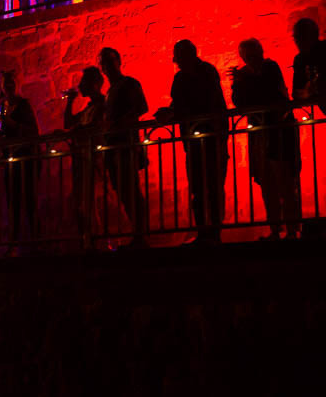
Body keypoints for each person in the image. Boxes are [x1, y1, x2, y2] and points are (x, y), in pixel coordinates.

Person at [155, 40, 229, 243]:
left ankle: (214, 231)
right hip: (194, 139)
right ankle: (204, 231)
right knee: (198, 186)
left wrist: (175, 113)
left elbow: (209, 102)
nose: (175, 61)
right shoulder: (182, 77)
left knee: (212, 185)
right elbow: (178, 104)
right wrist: (169, 112)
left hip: (211, 136)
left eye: (177, 56)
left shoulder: (206, 72)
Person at [230, 39, 302, 239]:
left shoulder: (270, 67)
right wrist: (237, 83)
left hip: (279, 131)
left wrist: (246, 81)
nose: (250, 59)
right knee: (267, 182)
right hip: (260, 134)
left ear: (260, 52)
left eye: (253, 54)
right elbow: (240, 103)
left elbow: (268, 93)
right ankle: (275, 228)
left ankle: (292, 228)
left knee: (285, 181)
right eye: (246, 55)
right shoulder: (244, 75)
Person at [99, 47, 150, 247]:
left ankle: (140, 235)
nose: (108, 66)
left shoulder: (128, 84)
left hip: (125, 144)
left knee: (130, 189)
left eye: (110, 61)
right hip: (113, 146)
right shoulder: (110, 91)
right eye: (104, 62)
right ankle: (137, 233)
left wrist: (120, 124)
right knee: (122, 190)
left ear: (119, 61)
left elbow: (141, 107)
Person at [0, 71, 39, 252]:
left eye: (11, 84)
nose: (9, 88)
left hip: (26, 157)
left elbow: (33, 130)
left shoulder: (24, 105)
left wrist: (12, 124)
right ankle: (13, 244)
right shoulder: (1, 107)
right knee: (12, 201)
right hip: (10, 159)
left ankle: (36, 243)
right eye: (6, 85)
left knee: (30, 200)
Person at [63, 66, 106, 245]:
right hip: (82, 160)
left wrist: (76, 132)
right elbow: (69, 123)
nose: (80, 85)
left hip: (93, 160)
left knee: (89, 203)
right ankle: (90, 241)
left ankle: (97, 241)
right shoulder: (89, 107)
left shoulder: (103, 104)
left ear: (95, 84)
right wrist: (70, 101)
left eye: (84, 81)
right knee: (82, 203)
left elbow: (96, 127)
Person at [292, 17, 326, 112]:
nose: (297, 41)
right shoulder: (299, 60)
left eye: (301, 36)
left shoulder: (324, 50)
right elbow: (296, 93)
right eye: (296, 37)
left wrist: (312, 90)